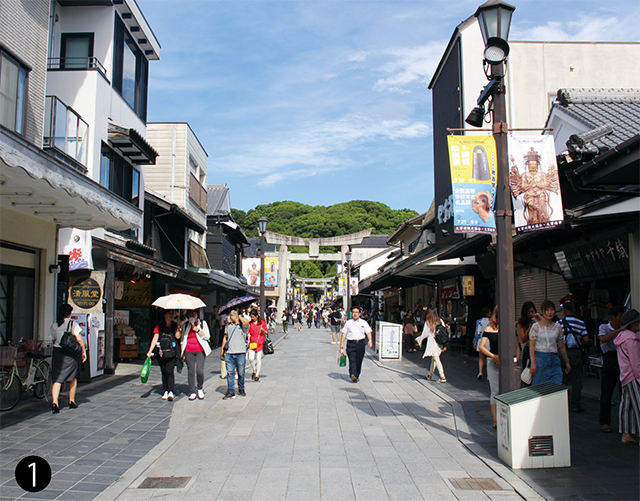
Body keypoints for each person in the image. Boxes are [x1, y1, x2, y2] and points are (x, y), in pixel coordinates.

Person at [50, 304, 87, 413]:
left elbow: (53, 339)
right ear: (69, 313)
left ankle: (55, 402)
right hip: (71, 354)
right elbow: (79, 339)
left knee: (57, 378)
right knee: (72, 377)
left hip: (58, 352)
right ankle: (71, 401)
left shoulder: (55, 325)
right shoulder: (72, 324)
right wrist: (83, 352)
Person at [529, 299, 571, 386]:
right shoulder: (536, 327)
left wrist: (567, 361)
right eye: (547, 310)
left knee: (556, 388)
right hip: (540, 359)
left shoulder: (557, 326)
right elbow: (532, 346)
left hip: (554, 359)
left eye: (551, 310)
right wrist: (533, 363)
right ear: (542, 312)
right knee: (539, 389)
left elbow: (561, 345)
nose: (549, 312)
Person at [614, 309, 640, 445]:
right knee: (638, 404)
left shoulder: (622, 337)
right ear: (634, 324)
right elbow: (636, 363)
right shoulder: (632, 340)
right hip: (633, 376)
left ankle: (625, 433)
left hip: (624, 375)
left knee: (626, 404)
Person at [598, 305, 626, 433]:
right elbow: (603, 339)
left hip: (623, 362)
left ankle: (624, 422)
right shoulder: (604, 327)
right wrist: (619, 331)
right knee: (606, 394)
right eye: (620, 317)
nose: (622, 319)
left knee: (624, 394)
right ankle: (604, 421)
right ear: (613, 317)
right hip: (610, 361)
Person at [558, 302, 590, 412]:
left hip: (563, 352)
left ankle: (561, 403)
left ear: (564, 311)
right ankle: (576, 404)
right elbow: (586, 339)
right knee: (577, 379)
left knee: (563, 378)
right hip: (576, 352)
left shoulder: (559, 323)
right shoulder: (581, 323)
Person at [147, 309, 182, 401]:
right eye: (169, 313)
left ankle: (171, 391)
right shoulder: (159, 326)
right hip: (161, 352)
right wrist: (150, 351)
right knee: (163, 372)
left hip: (172, 353)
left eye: (172, 314)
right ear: (164, 315)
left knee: (169, 372)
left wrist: (179, 326)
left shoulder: (175, 325)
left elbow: (178, 336)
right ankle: (165, 390)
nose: (171, 315)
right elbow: (155, 338)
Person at [180, 309, 211, 401]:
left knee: (200, 371)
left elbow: (207, 336)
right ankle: (192, 391)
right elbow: (182, 339)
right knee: (191, 371)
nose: (192, 315)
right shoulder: (185, 325)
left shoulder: (202, 323)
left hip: (200, 351)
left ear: (197, 315)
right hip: (189, 350)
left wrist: (197, 329)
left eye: (194, 313)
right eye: (190, 313)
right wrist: (183, 353)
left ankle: (200, 387)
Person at [220, 309, 250, 399]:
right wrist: (222, 350)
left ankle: (241, 388)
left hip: (240, 353)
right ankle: (230, 390)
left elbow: (246, 322)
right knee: (230, 373)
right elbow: (225, 337)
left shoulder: (242, 326)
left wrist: (239, 316)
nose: (229, 316)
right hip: (229, 352)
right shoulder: (228, 326)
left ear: (236, 316)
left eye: (231, 315)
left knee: (241, 372)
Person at [478, 306, 500, 428]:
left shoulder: (508, 328)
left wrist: (516, 359)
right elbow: (482, 346)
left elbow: (517, 345)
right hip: (493, 361)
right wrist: (493, 356)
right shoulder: (489, 329)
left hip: (506, 362)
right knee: (495, 391)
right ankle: (495, 419)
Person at [339, 306, 372, 383]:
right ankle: (352, 374)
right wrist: (341, 343)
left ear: (360, 314)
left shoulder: (364, 323)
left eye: (356, 312)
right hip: (351, 343)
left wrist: (370, 340)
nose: (355, 314)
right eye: (353, 312)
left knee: (359, 360)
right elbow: (344, 333)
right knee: (352, 360)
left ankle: (356, 375)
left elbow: (368, 332)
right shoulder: (348, 323)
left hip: (360, 343)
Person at [415, 308, 447, 383]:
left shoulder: (428, 322)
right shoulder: (440, 320)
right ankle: (430, 375)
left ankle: (443, 376)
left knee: (436, 358)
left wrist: (419, 340)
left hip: (433, 342)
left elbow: (425, 333)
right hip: (440, 342)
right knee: (434, 358)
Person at [517, 301, 539, 386]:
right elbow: (522, 339)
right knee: (528, 375)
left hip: (538, 348)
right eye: (529, 312)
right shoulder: (521, 322)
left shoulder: (537, 320)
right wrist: (530, 328)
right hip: (528, 348)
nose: (531, 314)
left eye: (533, 312)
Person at [247, 309, 267, 382]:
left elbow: (266, 332)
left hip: (260, 343)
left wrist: (263, 331)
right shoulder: (251, 324)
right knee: (251, 358)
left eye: (253, 317)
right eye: (251, 317)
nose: (252, 318)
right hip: (252, 343)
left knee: (258, 359)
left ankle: (257, 374)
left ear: (257, 316)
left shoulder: (262, 323)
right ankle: (254, 369)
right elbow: (248, 332)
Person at [473, 307, 492, 380]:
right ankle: (488, 374)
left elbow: (477, 332)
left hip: (480, 340)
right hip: (488, 340)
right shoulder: (490, 321)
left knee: (481, 358)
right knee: (489, 358)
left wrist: (475, 341)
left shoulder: (479, 321)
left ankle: (480, 372)